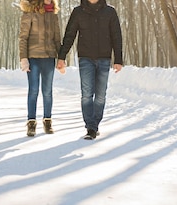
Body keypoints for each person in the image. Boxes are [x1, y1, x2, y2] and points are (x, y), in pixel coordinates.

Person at [56, 0, 123, 140]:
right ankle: (90, 127)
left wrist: (118, 59)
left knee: (100, 96)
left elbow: (116, 36)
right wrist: (61, 57)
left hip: (104, 58)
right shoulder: (78, 11)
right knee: (87, 94)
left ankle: (95, 123)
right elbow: (70, 35)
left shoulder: (110, 12)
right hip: (85, 58)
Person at [19, 0, 63, 137]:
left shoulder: (53, 14)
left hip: (49, 57)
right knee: (33, 90)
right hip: (33, 57)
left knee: (47, 91)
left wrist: (61, 58)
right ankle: (31, 123)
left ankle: (47, 121)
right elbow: (23, 38)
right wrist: (23, 58)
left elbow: (57, 39)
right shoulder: (30, 12)